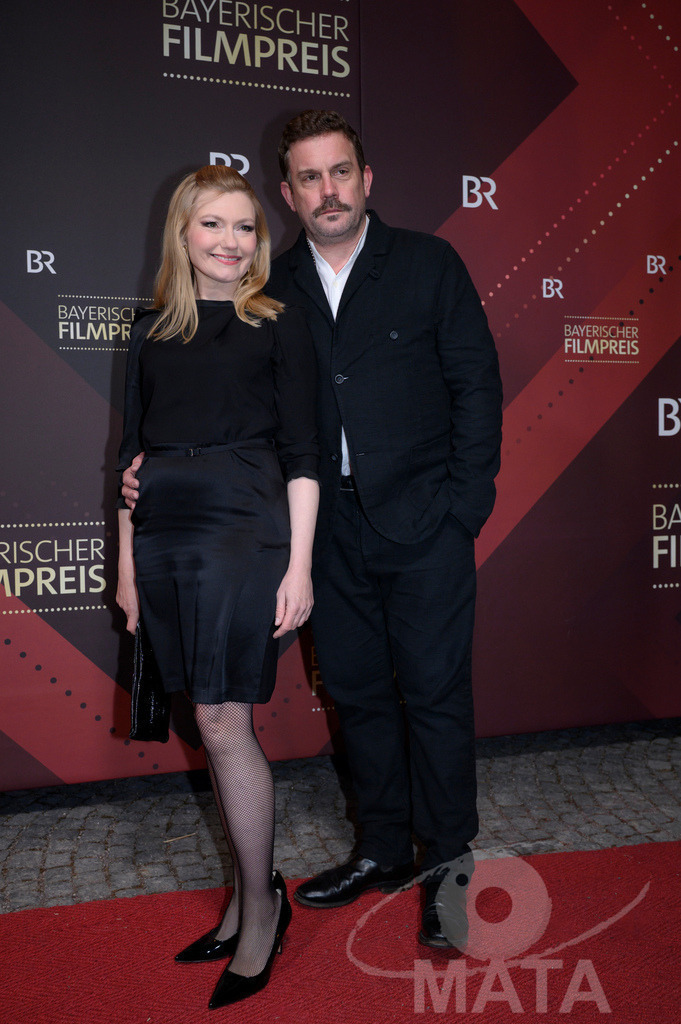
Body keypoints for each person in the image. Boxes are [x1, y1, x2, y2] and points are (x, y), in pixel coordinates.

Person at [123, 111, 502, 948]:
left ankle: (445, 865)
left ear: (367, 180)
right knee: (359, 695)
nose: (326, 190)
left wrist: (462, 508)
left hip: (424, 523)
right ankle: (379, 849)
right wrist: (154, 468)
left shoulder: (429, 265)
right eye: (307, 177)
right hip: (321, 532)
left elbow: (477, 388)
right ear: (287, 193)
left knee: (434, 697)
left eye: (340, 172)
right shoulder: (270, 286)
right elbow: (232, 408)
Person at [116, 164, 319, 1007]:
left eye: (245, 227)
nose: (231, 241)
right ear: (183, 234)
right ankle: (248, 892)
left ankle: (262, 908)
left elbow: (305, 457)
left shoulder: (279, 323)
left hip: (245, 521)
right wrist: (125, 567)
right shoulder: (150, 330)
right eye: (213, 225)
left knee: (221, 716)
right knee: (204, 710)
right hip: (161, 528)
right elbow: (128, 458)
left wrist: (299, 565)